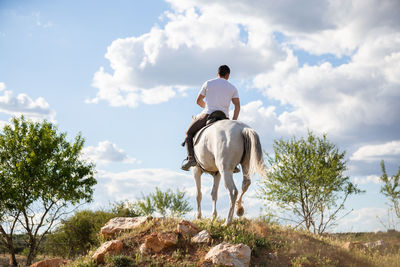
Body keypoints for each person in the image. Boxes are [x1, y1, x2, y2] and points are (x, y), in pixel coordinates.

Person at [181, 65, 241, 171]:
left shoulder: (208, 83)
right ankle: (234, 164)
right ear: (228, 75)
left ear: (218, 73)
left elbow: (198, 101)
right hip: (224, 118)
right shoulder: (232, 87)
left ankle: (191, 159)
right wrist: (233, 121)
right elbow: (237, 106)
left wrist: (208, 107)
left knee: (188, 134)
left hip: (208, 114)